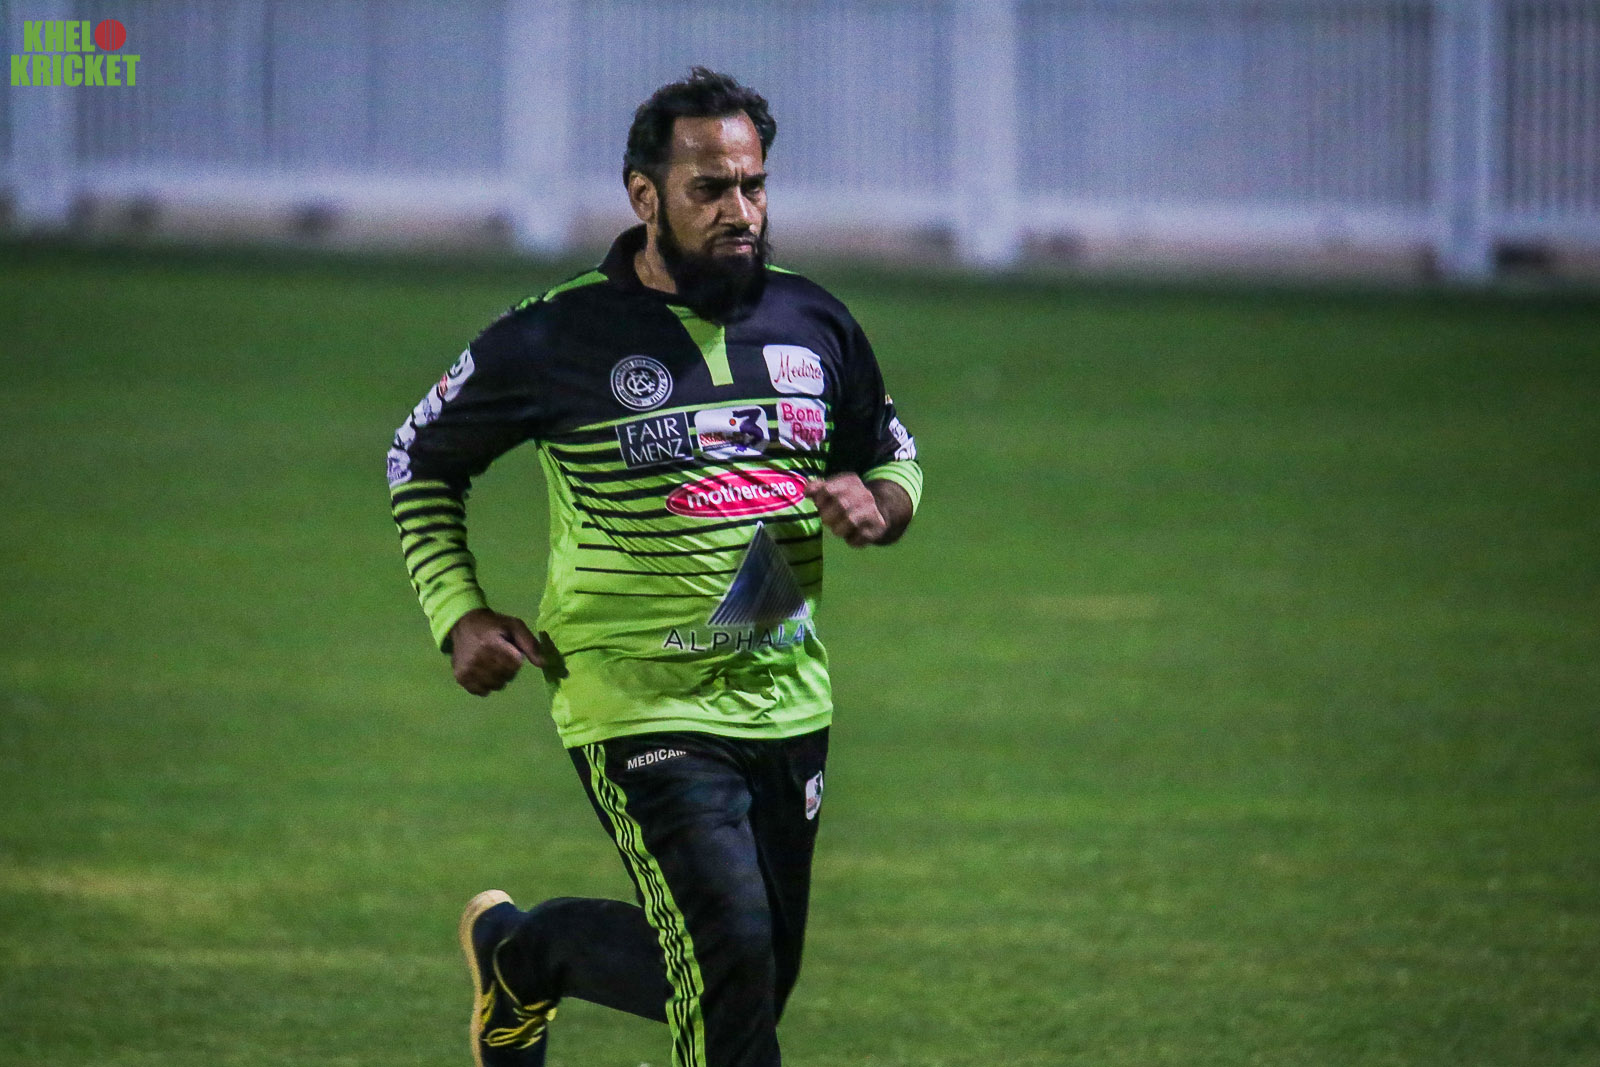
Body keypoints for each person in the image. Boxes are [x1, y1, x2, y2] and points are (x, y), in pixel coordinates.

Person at [386, 68, 922, 1067]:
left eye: (753, 186)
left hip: (784, 690)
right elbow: (419, 458)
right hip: (635, 696)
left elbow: (890, 455)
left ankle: (524, 955)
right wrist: (458, 611)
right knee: (730, 966)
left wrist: (878, 505)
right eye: (708, 190)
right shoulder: (554, 334)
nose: (740, 212)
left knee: (755, 974)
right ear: (645, 196)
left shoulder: (815, 321)